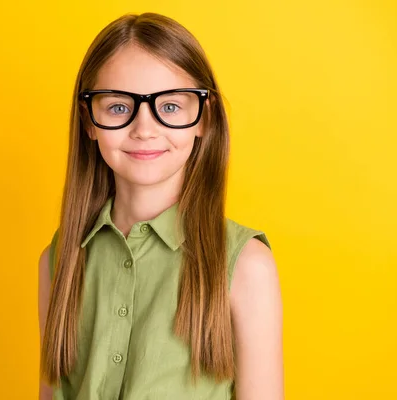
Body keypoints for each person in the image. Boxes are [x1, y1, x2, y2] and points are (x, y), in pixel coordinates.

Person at [38, 12, 283, 400]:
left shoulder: (246, 265)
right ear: (89, 120)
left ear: (204, 117)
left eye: (169, 107)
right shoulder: (60, 259)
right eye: (118, 107)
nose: (145, 128)